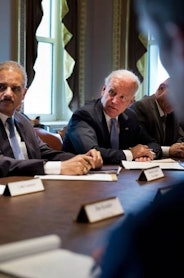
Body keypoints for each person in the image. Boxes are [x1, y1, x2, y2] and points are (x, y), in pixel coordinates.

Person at [98, 0, 184, 277]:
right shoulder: (90, 115)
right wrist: (133, 153)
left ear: (177, 43)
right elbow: (90, 151)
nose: (117, 101)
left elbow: (151, 145)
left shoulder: (150, 236)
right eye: (113, 94)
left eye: (124, 98)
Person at [0, 60, 103, 182]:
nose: (8, 94)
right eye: (2, 87)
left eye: (15, 89)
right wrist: (59, 167)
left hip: (27, 188)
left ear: (24, 94)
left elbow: (45, 152)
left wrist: (82, 159)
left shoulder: (22, 120)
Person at [62, 69, 162, 164]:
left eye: (122, 97)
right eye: (112, 93)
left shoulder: (130, 117)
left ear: (130, 102)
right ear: (104, 90)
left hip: (120, 176)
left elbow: (153, 144)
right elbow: (92, 153)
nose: (114, 101)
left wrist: (147, 154)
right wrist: (131, 154)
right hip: (82, 177)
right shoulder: (84, 115)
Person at [130, 78, 184, 158]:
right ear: (161, 88)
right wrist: (169, 150)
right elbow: (142, 145)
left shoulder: (172, 113)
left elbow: (180, 137)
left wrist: (180, 147)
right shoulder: (141, 107)